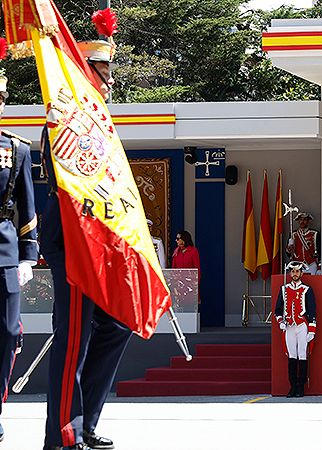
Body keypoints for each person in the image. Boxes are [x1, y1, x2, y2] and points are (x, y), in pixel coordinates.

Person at [42, 20, 131, 450]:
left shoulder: (101, 121)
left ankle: (86, 420)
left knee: (118, 325)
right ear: (83, 71)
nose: (110, 82)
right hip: (74, 243)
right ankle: (62, 434)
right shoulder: (62, 120)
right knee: (74, 335)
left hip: (102, 243)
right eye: (102, 72)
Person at [0, 72, 39, 442]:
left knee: (9, 332)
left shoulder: (17, 149)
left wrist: (28, 256)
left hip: (4, 251)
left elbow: (27, 206)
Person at [274, 261, 317, 398]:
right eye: (292, 271)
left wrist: (312, 330)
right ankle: (292, 386)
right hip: (289, 327)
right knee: (292, 355)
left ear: (301, 273)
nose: (294, 274)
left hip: (302, 326)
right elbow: (277, 310)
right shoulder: (283, 289)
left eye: (297, 271)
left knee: (302, 355)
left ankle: (301, 386)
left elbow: (312, 311)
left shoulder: (307, 290)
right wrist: (280, 321)